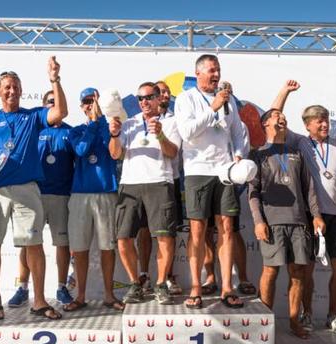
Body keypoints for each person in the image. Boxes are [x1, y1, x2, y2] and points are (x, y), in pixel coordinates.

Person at [0, 57, 67, 321]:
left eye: (16, 87)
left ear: (22, 91)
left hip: (26, 188)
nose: (12, 91)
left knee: (34, 244)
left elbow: (60, 113)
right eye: (7, 87)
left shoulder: (33, 116)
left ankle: (39, 301)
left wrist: (54, 79)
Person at [175, 54, 249, 309]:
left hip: (225, 171)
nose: (216, 74)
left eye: (218, 70)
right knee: (197, 231)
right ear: (198, 73)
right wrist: (213, 107)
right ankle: (196, 286)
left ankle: (227, 286)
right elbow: (187, 133)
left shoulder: (229, 100)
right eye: (211, 70)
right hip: (197, 171)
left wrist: (238, 154)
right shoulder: (186, 99)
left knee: (227, 228)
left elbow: (238, 133)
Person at [248, 104, 325, 339]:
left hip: (299, 222)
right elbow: (253, 192)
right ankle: (265, 321)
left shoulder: (297, 152)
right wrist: (259, 221)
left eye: (283, 115)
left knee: (298, 273)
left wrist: (316, 216)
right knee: (270, 271)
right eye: (275, 116)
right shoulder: (258, 154)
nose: (281, 118)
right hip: (272, 223)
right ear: (265, 125)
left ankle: (294, 321)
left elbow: (310, 190)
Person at [109, 82, 180, 305]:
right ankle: (135, 283)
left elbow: (172, 153)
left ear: (159, 98)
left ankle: (160, 284)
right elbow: (115, 155)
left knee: (165, 238)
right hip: (130, 185)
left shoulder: (171, 122)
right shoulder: (128, 124)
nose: (144, 102)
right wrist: (114, 135)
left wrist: (160, 135)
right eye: (140, 98)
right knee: (123, 238)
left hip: (160, 183)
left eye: (149, 97)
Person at [7, 90, 75, 307]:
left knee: (62, 244)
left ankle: (62, 287)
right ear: (44, 105)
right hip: (34, 193)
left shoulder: (71, 132)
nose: (53, 105)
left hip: (61, 195)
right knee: (29, 243)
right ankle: (22, 287)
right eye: (49, 102)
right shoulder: (34, 130)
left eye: (56, 102)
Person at [64, 87, 124, 311]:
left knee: (107, 246)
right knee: (79, 248)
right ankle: (80, 295)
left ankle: (109, 295)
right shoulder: (77, 130)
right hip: (80, 194)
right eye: (87, 101)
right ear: (81, 106)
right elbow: (80, 150)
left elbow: (116, 151)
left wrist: (101, 122)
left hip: (106, 192)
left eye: (95, 100)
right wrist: (92, 123)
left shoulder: (111, 128)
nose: (92, 104)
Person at [298, 104, 336, 332]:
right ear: (307, 124)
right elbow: (272, 118)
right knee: (306, 268)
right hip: (311, 214)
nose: (324, 124)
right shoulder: (299, 143)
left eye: (326, 119)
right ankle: (306, 313)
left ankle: (333, 314)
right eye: (318, 120)